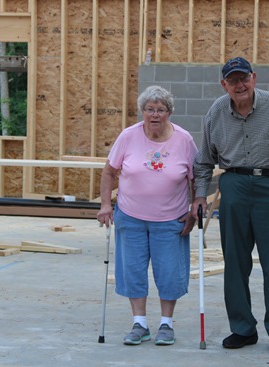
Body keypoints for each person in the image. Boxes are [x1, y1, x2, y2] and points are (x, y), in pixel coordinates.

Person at [192, 57, 269, 354]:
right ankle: (242, 329)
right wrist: (199, 195)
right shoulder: (216, 112)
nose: (239, 85)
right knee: (235, 262)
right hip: (234, 186)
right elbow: (205, 161)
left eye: (243, 78)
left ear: (254, 78)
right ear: (224, 85)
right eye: (232, 80)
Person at [96, 85, 198, 346]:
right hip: (131, 217)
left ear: (169, 112)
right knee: (132, 270)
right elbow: (109, 172)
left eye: (160, 110)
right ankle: (139, 323)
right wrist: (106, 205)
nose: (155, 115)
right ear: (142, 111)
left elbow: (195, 177)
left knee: (170, 272)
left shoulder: (184, 139)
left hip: (171, 218)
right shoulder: (128, 136)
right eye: (149, 109)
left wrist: (195, 206)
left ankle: (167, 324)